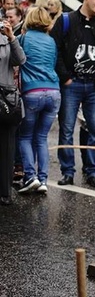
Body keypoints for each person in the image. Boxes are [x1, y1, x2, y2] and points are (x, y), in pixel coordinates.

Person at [50, 0, 95, 189]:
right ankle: (67, 171)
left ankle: (93, 171)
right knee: (67, 129)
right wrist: (65, 77)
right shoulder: (66, 21)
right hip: (72, 85)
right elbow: (56, 50)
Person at [16, 7, 60, 194]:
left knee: (25, 136)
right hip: (54, 91)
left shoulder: (23, 39)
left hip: (32, 91)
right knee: (41, 138)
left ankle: (30, 176)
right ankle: (43, 180)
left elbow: (14, 57)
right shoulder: (51, 41)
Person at [0, 16, 26, 205]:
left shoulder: (7, 39)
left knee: (7, 147)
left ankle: (4, 191)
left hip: (5, 99)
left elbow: (20, 60)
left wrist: (12, 38)